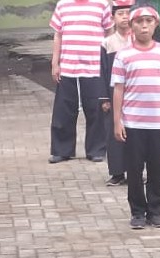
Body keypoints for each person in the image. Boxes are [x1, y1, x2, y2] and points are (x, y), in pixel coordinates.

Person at [111, 5, 160, 230]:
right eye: (139, 22)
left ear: (156, 24)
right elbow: (118, 89)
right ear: (132, 26)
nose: (144, 26)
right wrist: (117, 121)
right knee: (134, 169)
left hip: (158, 123)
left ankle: (155, 212)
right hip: (133, 123)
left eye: (149, 21)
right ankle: (137, 212)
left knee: (157, 169)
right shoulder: (123, 55)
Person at [48, 0, 113, 164]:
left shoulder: (101, 4)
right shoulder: (63, 4)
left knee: (96, 110)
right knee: (63, 110)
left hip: (95, 67)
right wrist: (55, 63)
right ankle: (61, 150)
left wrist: (108, 62)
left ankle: (96, 150)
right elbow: (58, 35)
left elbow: (109, 32)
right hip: (67, 66)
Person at [99, 0, 133, 186]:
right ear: (113, 18)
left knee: (135, 134)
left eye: (128, 13)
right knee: (114, 133)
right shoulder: (107, 43)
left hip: (135, 94)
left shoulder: (138, 40)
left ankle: (136, 171)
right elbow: (102, 71)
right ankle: (117, 173)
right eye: (120, 14)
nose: (125, 17)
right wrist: (104, 98)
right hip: (113, 94)